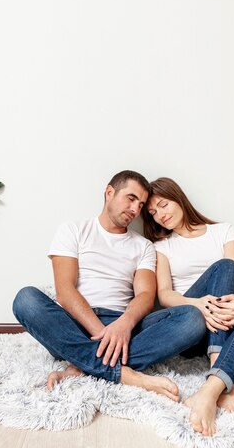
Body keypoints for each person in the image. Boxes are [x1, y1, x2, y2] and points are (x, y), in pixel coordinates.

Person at [12, 170, 206, 401]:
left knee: (192, 318)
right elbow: (65, 291)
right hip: (73, 326)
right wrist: (104, 335)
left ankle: (83, 365)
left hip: (124, 325)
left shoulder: (143, 246)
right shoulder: (73, 230)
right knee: (26, 299)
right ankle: (126, 374)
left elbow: (145, 294)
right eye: (131, 198)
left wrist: (123, 325)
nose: (135, 210)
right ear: (109, 192)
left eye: (141, 205)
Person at [143, 177, 234, 437]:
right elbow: (164, 295)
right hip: (192, 323)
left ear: (178, 198)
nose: (160, 215)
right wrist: (197, 303)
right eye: (152, 213)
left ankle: (210, 389)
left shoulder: (223, 231)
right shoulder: (162, 246)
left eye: (163, 205)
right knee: (224, 267)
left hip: (227, 318)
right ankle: (224, 383)